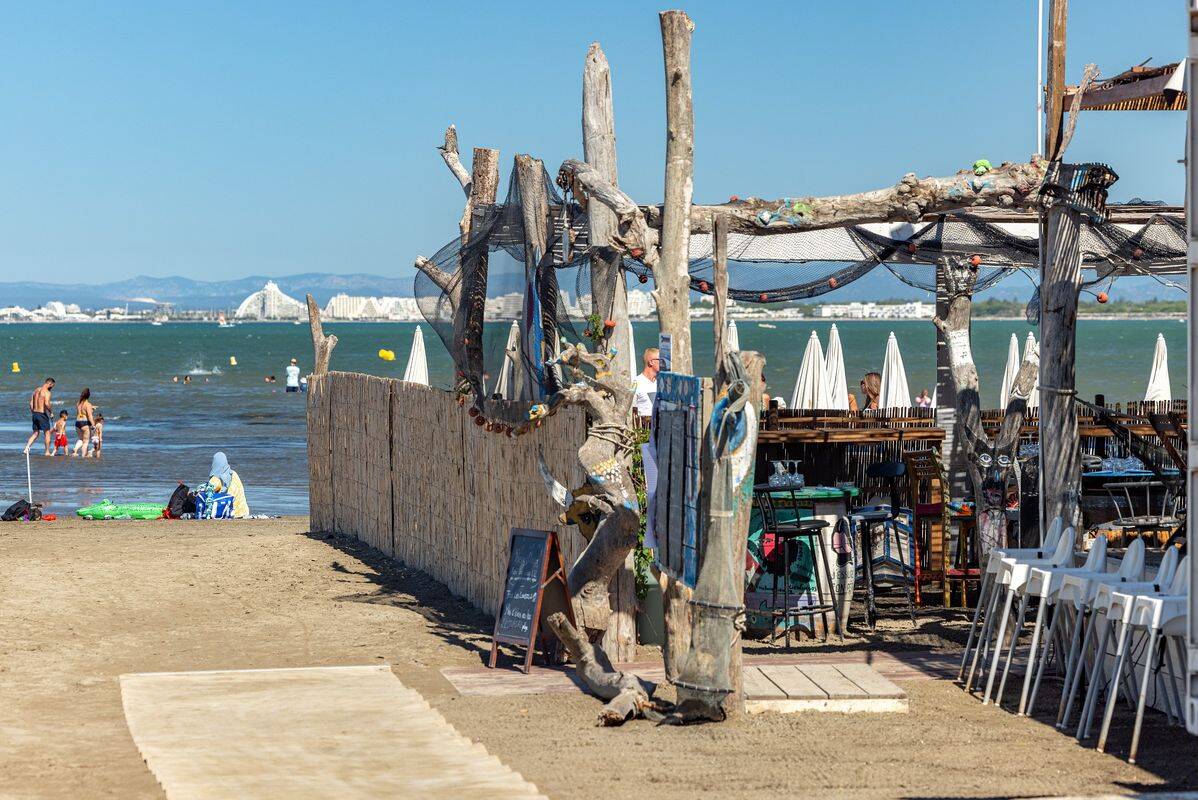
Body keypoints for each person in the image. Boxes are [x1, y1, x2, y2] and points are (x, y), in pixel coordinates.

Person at [208, 452, 250, 518]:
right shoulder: (234, 474)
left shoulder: (215, 478)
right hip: (244, 511)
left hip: (231, 513)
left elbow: (209, 491)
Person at [24, 377, 55, 456]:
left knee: (35, 433)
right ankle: (47, 452)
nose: (51, 388)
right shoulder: (47, 392)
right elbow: (47, 404)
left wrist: (34, 413)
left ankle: (26, 448)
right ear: (50, 384)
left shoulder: (36, 390)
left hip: (35, 414)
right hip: (42, 414)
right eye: (52, 386)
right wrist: (51, 412)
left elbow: (31, 404)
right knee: (47, 433)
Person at [632, 347, 660, 421]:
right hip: (643, 427)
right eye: (661, 360)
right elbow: (632, 411)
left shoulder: (663, 383)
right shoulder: (636, 382)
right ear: (651, 362)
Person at [72, 388, 95, 457]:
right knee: (86, 441)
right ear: (88, 396)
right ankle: (83, 456)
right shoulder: (88, 404)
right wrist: (93, 425)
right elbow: (90, 416)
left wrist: (91, 408)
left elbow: (81, 412)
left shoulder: (78, 403)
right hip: (85, 423)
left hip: (77, 422)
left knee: (81, 439)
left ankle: (75, 448)